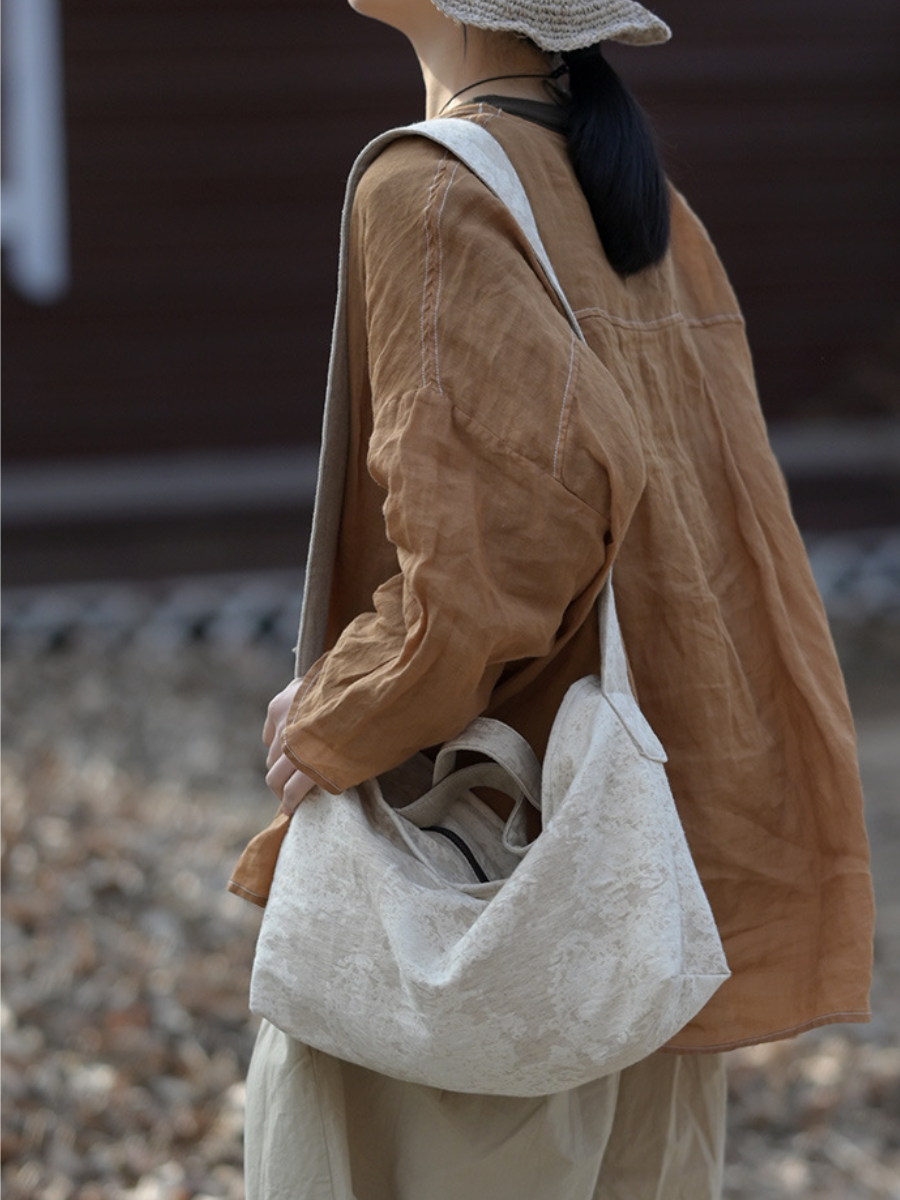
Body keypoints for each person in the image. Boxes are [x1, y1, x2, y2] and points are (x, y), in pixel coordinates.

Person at [229, 1, 875, 1195]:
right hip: (645, 885)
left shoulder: (429, 189)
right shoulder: (639, 200)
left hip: (488, 886)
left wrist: (340, 709)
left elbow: (493, 558)